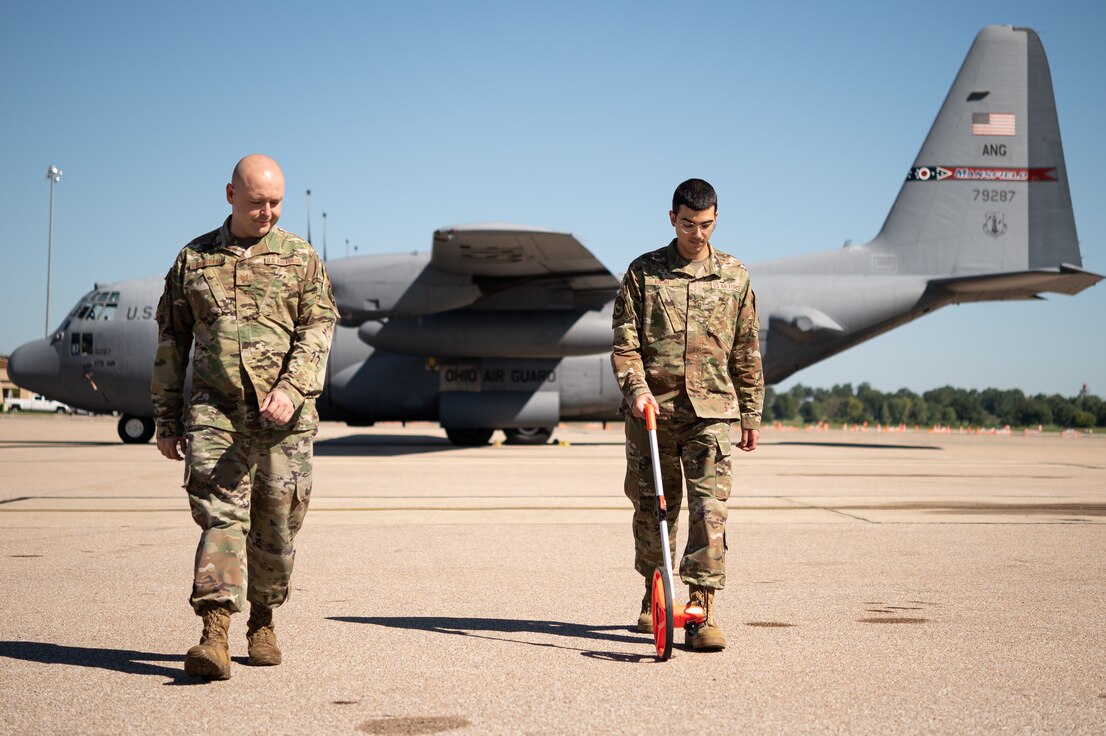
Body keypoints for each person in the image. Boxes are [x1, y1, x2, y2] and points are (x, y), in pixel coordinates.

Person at [152, 154, 337, 680]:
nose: (269, 212)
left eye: (276, 202)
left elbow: (318, 329)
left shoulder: (301, 258)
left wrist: (292, 387)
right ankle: (214, 634)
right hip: (217, 414)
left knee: (276, 530)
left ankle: (263, 618)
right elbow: (171, 342)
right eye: (258, 202)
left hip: (286, 420)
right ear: (230, 195)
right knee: (221, 519)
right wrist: (167, 420)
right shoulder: (193, 261)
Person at [611, 178, 764, 651]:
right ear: (671, 219)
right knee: (654, 510)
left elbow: (746, 348)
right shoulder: (643, 273)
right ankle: (656, 594)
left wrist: (751, 412)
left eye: (705, 225)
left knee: (709, 512)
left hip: (712, 414)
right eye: (688, 225)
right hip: (653, 414)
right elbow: (625, 344)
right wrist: (637, 390)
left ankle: (700, 612)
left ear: (716, 219)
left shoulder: (735, 276)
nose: (697, 235)